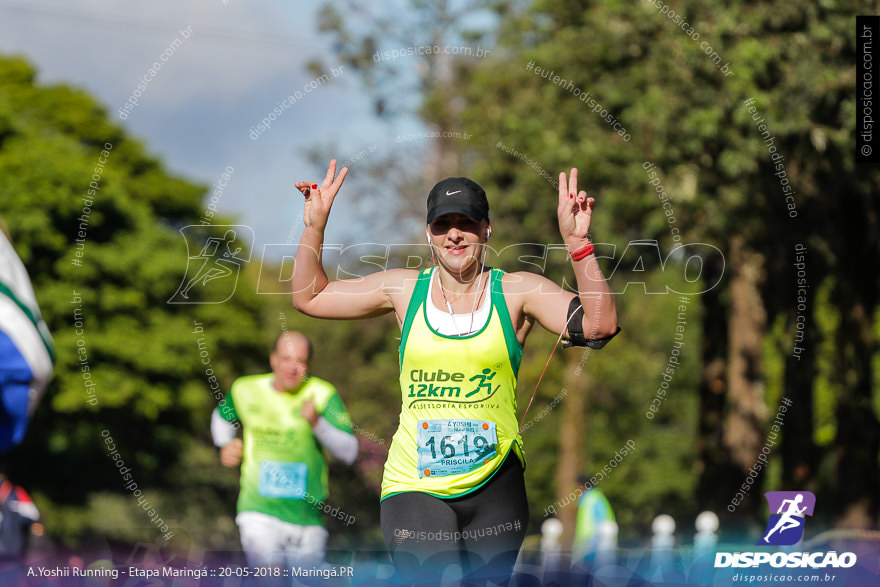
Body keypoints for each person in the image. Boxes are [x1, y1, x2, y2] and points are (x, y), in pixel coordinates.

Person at [292, 160, 619, 584]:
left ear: (487, 230)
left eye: (466, 221)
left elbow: (599, 324)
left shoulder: (518, 290)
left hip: (496, 482)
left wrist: (578, 243)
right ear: (429, 234)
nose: (455, 233)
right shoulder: (404, 289)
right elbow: (310, 297)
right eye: (443, 223)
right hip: (415, 482)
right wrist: (315, 226)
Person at [211, 331, 358, 569]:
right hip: (258, 512)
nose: (292, 367)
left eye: (301, 361)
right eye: (286, 359)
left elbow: (350, 452)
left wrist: (317, 424)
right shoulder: (245, 389)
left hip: (307, 519)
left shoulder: (322, 393)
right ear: (273, 359)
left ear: (309, 365)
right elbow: (221, 418)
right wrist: (224, 443)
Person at [572, 477, 616, 563]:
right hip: (587, 543)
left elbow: (603, 521)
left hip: (594, 543)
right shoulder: (589, 498)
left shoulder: (592, 498)